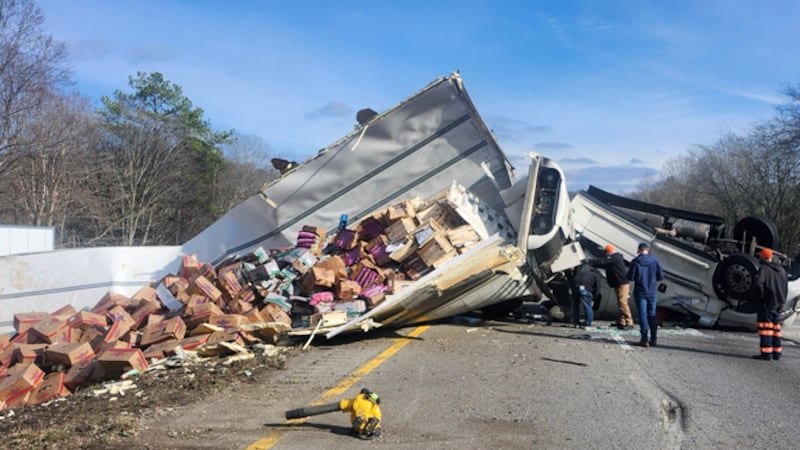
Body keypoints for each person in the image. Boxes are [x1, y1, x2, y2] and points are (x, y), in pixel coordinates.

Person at [753, 248, 788, 361]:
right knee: (776, 329)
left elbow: (759, 284)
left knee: (765, 329)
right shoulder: (782, 270)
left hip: (767, 304)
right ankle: (776, 353)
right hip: (778, 304)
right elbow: (785, 287)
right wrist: (782, 301)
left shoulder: (764, 269)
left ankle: (766, 353)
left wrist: (762, 297)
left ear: (763, 257)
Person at [627, 242, 663, 347]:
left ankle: (644, 339)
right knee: (652, 315)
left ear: (639, 250)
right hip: (652, 291)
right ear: (648, 249)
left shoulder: (635, 261)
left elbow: (630, 277)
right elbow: (660, 276)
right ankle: (654, 339)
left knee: (643, 315)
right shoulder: (655, 261)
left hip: (640, 291)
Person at [589, 244, 634, 329]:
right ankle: (622, 322)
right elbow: (603, 264)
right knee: (621, 303)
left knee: (623, 303)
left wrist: (591, 261)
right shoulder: (615, 258)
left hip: (622, 284)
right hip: (619, 283)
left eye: (605, 252)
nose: (605, 254)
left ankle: (629, 322)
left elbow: (603, 262)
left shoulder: (615, 258)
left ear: (608, 252)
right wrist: (594, 263)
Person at [572, 263, 602, 329]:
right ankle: (588, 323)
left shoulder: (583, 272)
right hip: (585, 287)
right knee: (588, 306)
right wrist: (594, 299)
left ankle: (576, 323)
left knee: (576, 305)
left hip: (576, 285)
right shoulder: (596, 275)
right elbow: (598, 289)